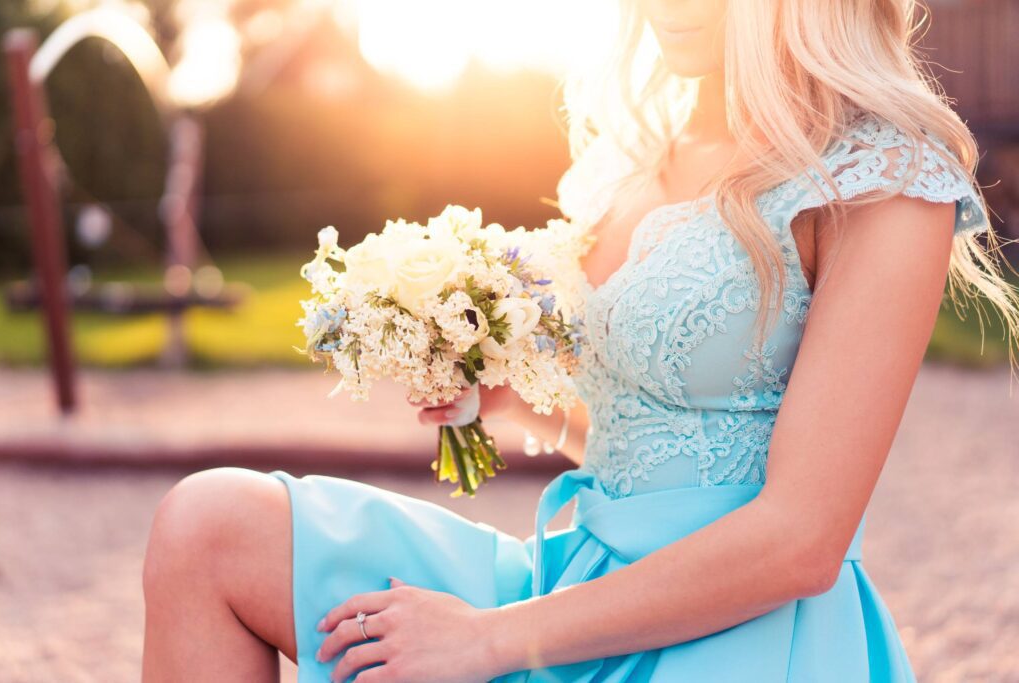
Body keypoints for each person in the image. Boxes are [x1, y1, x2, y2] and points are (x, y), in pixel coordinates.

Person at [141, 1, 1019, 681]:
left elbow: (803, 537)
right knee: (205, 528)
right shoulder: (631, 160)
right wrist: (501, 397)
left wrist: (490, 640)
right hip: (572, 579)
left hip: (739, 628)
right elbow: (628, 432)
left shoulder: (882, 179)